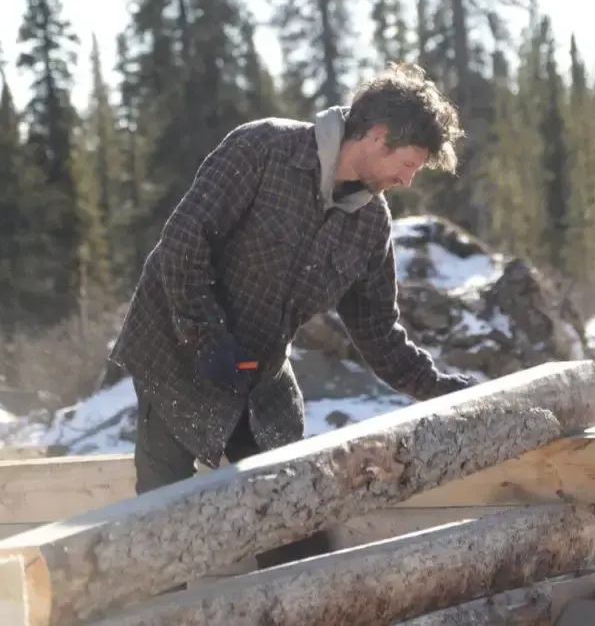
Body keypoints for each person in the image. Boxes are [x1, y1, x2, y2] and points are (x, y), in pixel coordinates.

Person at [109, 62, 475, 568]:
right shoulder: (261, 149)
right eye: (409, 163)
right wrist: (207, 339)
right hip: (174, 350)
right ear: (376, 134)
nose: (409, 180)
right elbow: (182, 246)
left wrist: (440, 389)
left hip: (259, 375)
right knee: (164, 520)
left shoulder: (370, 224)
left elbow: (379, 332)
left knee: (297, 512)